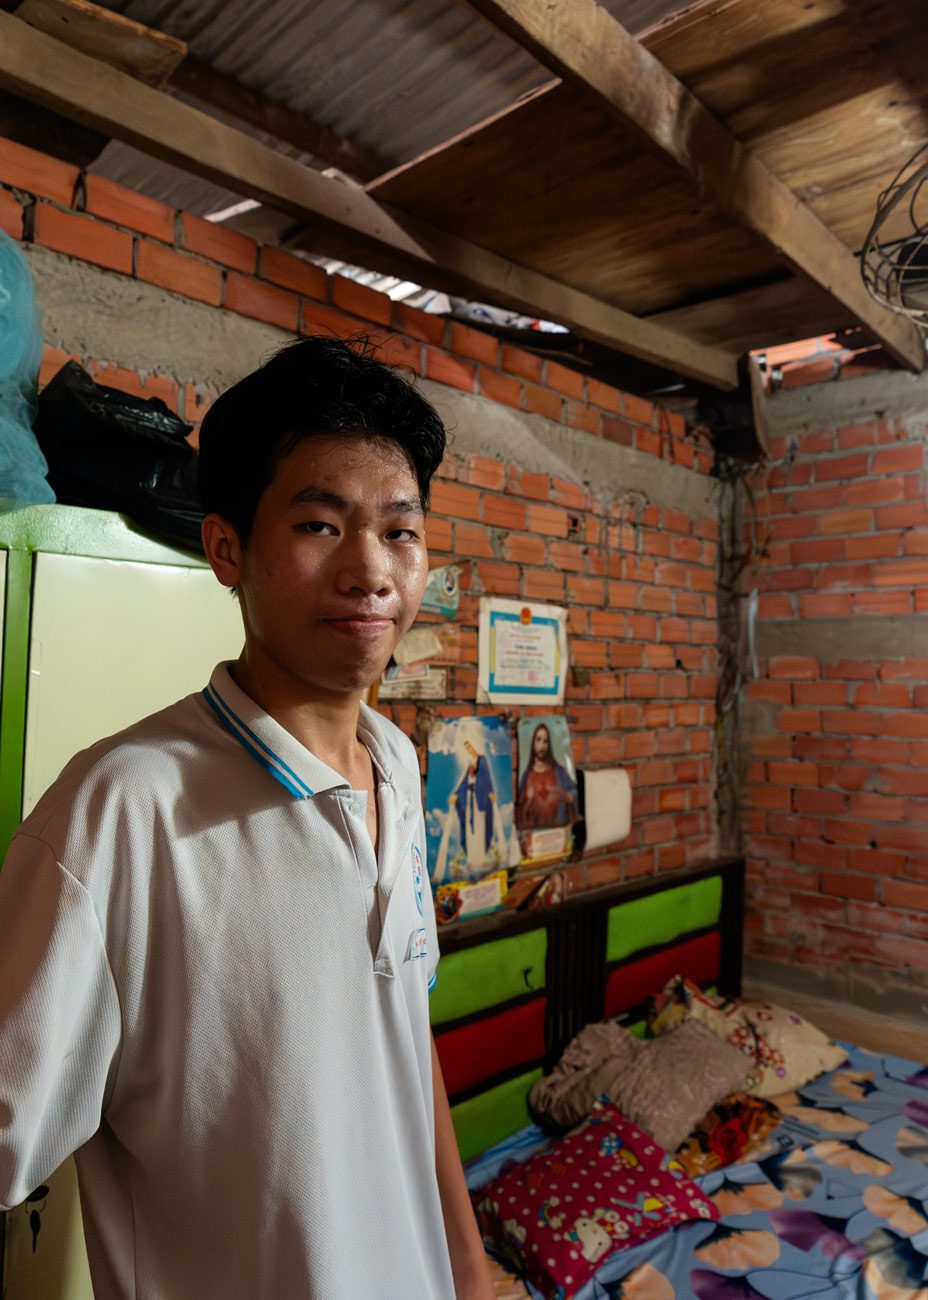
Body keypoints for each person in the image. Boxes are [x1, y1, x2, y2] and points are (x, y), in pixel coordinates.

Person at [0, 336, 497, 1299]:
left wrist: (469, 1272)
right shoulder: (120, 811)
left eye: (400, 531)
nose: (370, 571)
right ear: (226, 548)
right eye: (319, 526)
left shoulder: (397, 765)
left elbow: (404, 1037)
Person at [516, 722, 578, 829]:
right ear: (533, 743)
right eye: (538, 740)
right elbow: (519, 816)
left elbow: (575, 793)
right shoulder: (527, 776)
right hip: (535, 838)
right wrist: (528, 799)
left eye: (545, 741)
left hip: (558, 833)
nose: (542, 746)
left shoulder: (560, 772)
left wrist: (568, 796)